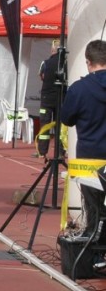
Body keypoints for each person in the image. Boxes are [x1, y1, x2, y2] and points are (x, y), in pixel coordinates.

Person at [60, 39, 106, 245]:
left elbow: (66, 119)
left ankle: (93, 246)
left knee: (93, 204)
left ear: (88, 62)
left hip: (89, 156)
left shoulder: (79, 88)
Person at [36, 40, 63, 159]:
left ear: (52, 50)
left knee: (45, 125)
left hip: (47, 99)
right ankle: (60, 153)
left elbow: (41, 76)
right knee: (60, 127)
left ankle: (42, 152)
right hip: (61, 98)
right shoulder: (66, 63)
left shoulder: (45, 62)